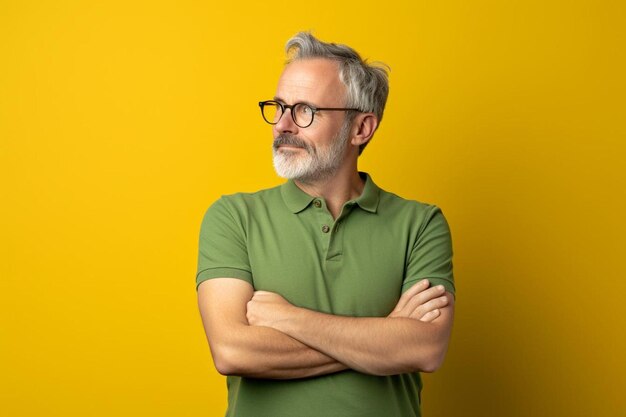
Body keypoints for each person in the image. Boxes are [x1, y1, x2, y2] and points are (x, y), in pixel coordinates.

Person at [196, 32, 455, 417]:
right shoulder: (233, 217)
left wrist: (289, 319)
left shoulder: (421, 224)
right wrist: (384, 336)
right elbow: (233, 351)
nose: (283, 124)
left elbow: (425, 349)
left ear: (361, 128)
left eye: (305, 110)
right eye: (279, 107)